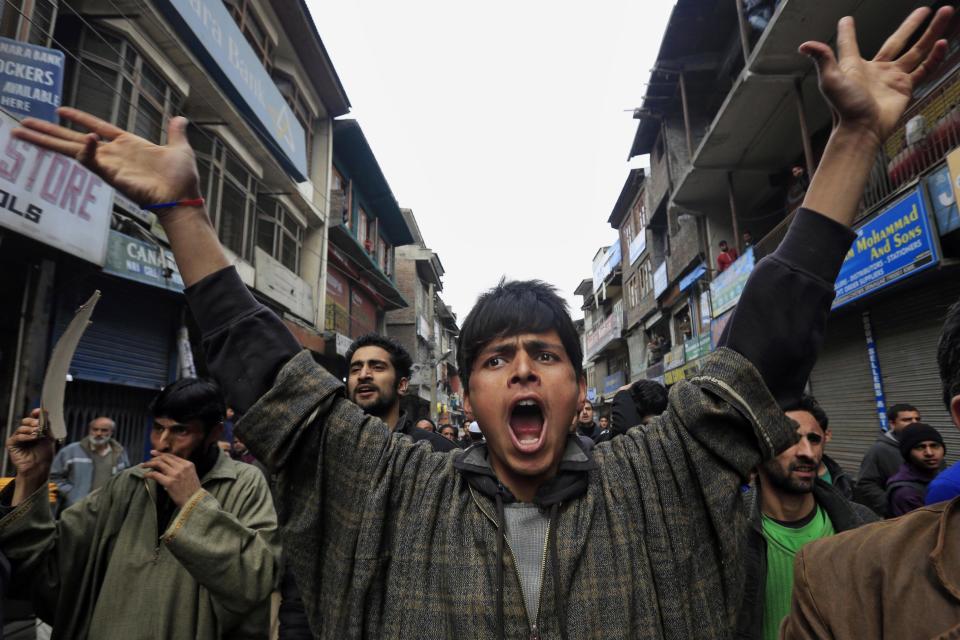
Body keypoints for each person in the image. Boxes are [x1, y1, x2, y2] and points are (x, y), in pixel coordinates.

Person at [12, 9, 945, 635]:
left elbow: (766, 339)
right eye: (499, 358)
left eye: (546, 354)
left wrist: (857, 139)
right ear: (466, 390)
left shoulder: (661, 478)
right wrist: (185, 217)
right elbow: (269, 382)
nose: (525, 371)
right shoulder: (392, 490)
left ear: (580, 387)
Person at [0, 378, 280, 639]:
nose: (163, 443)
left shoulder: (244, 483)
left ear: (214, 433)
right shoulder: (128, 484)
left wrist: (194, 503)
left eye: (181, 430)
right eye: (159, 428)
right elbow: (45, 564)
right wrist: (32, 477)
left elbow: (255, 581)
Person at [735, 395, 876, 640]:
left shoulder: (863, 524)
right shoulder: (730, 532)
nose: (808, 453)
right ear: (758, 449)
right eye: (790, 440)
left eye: (814, 439)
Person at [345, 333, 457, 453]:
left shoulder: (438, 451)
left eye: (377, 367)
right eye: (355, 369)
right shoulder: (335, 443)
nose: (362, 375)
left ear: (401, 385)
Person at [854, 402, 922, 516]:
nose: (914, 423)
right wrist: (891, 506)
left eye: (917, 419)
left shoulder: (928, 445)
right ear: (892, 424)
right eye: (907, 420)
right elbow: (865, 483)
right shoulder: (879, 450)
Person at [49, 416, 129, 510]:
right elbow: (53, 477)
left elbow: (125, 478)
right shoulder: (70, 451)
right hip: (76, 508)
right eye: (95, 429)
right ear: (89, 430)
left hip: (106, 509)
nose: (98, 433)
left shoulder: (119, 453)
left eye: (104, 430)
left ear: (111, 432)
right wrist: (71, 493)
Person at [885, 422, 945, 516]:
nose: (929, 453)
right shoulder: (905, 492)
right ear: (908, 454)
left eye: (934, 446)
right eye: (920, 447)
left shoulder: (942, 474)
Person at [809, 401, 854, 499]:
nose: (806, 451)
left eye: (813, 439)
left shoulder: (844, 482)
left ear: (827, 436)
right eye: (795, 439)